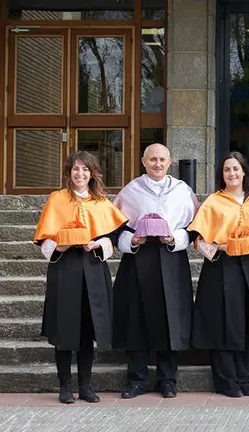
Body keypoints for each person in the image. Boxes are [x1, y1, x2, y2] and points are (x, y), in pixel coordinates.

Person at [187, 152, 249, 397]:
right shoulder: (213, 201)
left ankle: (246, 377)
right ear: (222, 175)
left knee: (247, 321)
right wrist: (222, 246)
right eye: (227, 170)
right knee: (222, 322)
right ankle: (226, 380)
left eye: (236, 169)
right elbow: (198, 239)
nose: (232, 174)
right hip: (222, 267)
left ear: (244, 172)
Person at [34, 151, 128, 404]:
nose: (80, 174)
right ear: (68, 172)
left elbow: (115, 237)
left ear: (92, 173)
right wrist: (59, 246)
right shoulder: (57, 200)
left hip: (93, 269)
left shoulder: (101, 202)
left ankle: (86, 385)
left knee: (88, 329)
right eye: (75, 169)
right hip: (65, 269)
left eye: (85, 169)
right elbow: (44, 240)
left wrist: (99, 244)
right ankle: (65, 386)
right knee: (65, 328)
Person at [112, 144, 199, 399]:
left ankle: (167, 379)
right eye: (152, 160)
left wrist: (174, 239)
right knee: (135, 318)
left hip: (171, 258)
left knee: (170, 318)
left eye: (162, 159)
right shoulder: (130, 191)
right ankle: (137, 379)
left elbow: (194, 226)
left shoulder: (182, 191)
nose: (157, 164)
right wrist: (133, 241)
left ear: (170, 162)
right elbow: (117, 228)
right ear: (143, 161)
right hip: (139, 259)